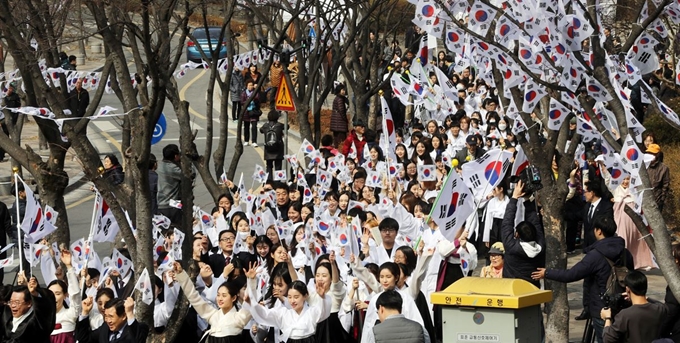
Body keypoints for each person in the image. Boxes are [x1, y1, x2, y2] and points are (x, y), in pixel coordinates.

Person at [532, 216, 633, 343]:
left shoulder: (595, 255)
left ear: (599, 231)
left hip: (601, 307)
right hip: (623, 304)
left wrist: (547, 273)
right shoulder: (625, 253)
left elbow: (571, 275)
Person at [173, 261, 252, 342]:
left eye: (224, 295)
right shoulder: (213, 316)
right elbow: (193, 297)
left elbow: (250, 301)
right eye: (218, 295)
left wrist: (252, 281)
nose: (220, 298)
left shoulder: (239, 318)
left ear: (233, 298)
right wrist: (181, 274)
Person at [601, 271, 667, 343]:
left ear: (627, 289)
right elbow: (661, 305)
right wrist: (646, 297)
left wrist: (607, 318)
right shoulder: (659, 309)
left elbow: (608, 339)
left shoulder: (625, 315)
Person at [501, 181, 545, 287]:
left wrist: (514, 197)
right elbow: (535, 222)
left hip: (511, 290)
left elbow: (507, 222)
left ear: (517, 235)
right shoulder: (541, 245)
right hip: (532, 290)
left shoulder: (512, 247)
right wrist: (527, 199)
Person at [75, 297, 149, 343]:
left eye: (111, 316)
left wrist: (129, 313)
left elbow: (138, 341)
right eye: (106, 316)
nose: (108, 320)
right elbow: (84, 338)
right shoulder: (105, 328)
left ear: (123, 316)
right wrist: (85, 312)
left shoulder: (138, 329)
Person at [157, 144, 183, 225]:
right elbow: (190, 174)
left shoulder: (160, 166)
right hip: (172, 206)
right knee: (176, 229)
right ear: (176, 156)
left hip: (160, 205)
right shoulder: (172, 168)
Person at [259, 110, 285, 178]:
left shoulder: (265, 126)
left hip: (268, 149)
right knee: (278, 166)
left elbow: (261, 130)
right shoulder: (279, 125)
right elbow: (287, 127)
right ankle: (278, 182)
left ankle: (269, 181)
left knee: (269, 166)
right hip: (278, 149)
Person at [646, 144, 670, 212]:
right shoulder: (644, 166)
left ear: (657, 154)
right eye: (649, 153)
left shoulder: (664, 168)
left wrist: (662, 199)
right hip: (644, 199)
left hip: (657, 199)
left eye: (653, 153)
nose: (650, 155)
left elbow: (666, 185)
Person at [241, 80, 261, 147]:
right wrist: (248, 101)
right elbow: (241, 102)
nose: (250, 87)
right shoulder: (244, 93)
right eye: (249, 85)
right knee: (246, 127)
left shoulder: (255, 93)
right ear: (246, 86)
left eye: (252, 85)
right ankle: (246, 140)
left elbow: (259, 101)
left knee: (254, 127)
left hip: (254, 111)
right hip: (246, 112)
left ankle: (254, 141)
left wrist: (254, 100)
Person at [0, 200, 10, 284]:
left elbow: (7, 223)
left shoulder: (2, 206)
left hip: (1, 242)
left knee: (1, 264)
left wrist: (12, 237)